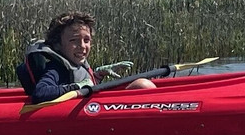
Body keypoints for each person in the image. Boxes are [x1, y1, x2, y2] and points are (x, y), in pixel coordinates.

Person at [16, 11, 156, 103]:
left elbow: (81, 82)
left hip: (85, 104)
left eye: (86, 40)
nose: (82, 46)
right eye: (74, 41)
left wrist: (97, 76)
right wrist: (78, 86)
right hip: (68, 113)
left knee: (142, 84)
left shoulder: (76, 64)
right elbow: (40, 93)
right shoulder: (57, 69)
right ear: (57, 45)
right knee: (142, 85)